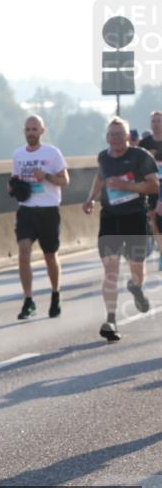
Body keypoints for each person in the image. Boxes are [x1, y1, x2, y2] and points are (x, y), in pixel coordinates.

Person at [83, 117, 160, 342]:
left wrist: (126, 186)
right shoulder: (103, 157)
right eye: (112, 135)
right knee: (110, 270)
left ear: (127, 136)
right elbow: (100, 178)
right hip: (110, 219)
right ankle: (111, 320)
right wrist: (91, 199)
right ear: (107, 138)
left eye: (120, 134)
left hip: (135, 218)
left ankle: (136, 287)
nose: (115, 139)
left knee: (137, 267)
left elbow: (154, 185)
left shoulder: (141, 156)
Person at [10, 116, 70, 319]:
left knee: (50, 255)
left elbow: (64, 180)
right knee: (23, 252)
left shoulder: (52, 153)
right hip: (26, 210)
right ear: (23, 131)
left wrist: (45, 176)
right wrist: (13, 187)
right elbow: (16, 181)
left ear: (42, 130)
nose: (31, 133)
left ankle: (55, 294)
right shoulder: (18, 155)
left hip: (48, 209)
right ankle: (28, 300)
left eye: (34, 129)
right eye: (27, 129)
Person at [138, 111, 162, 270]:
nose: (156, 124)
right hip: (152, 186)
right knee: (153, 219)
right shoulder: (144, 144)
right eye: (153, 121)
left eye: (159, 121)